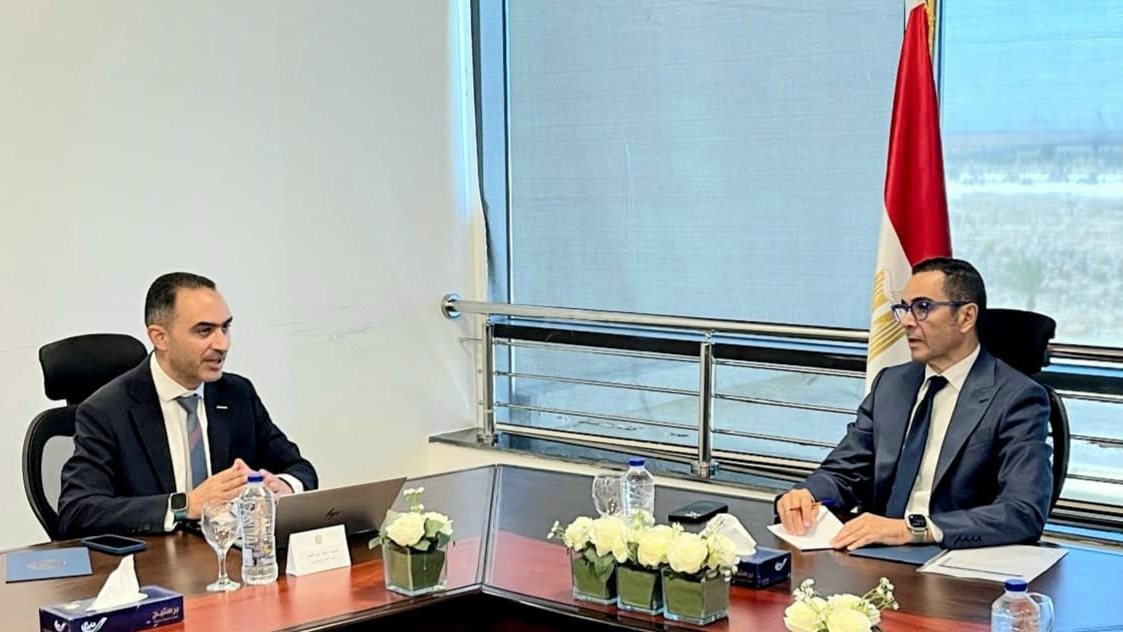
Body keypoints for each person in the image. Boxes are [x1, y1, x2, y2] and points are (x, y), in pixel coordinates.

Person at [776, 257, 1051, 550]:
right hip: (874, 552)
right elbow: (845, 471)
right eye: (904, 308)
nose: (907, 321)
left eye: (923, 307)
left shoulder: (1017, 398)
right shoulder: (892, 384)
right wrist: (807, 494)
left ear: (966, 317)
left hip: (952, 555)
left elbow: (1023, 512)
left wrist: (913, 529)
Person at [58, 272, 317, 538]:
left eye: (225, 328)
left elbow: (300, 469)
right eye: (205, 331)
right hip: (156, 558)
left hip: (228, 553)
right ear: (160, 337)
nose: (222, 344)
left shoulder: (237, 394)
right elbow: (77, 511)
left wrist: (283, 486)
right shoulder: (106, 411)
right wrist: (185, 505)